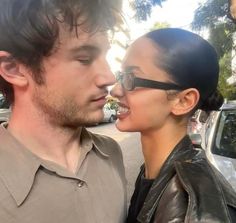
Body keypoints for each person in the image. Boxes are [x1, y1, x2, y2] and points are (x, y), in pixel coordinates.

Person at [0, 1, 127, 223]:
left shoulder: (110, 153)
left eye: (104, 57)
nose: (109, 78)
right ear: (14, 69)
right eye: (84, 59)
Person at [111, 28, 236, 222]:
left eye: (131, 78)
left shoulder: (195, 210)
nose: (115, 90)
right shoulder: (153, 171)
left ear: (183, 101)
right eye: (121, 76)